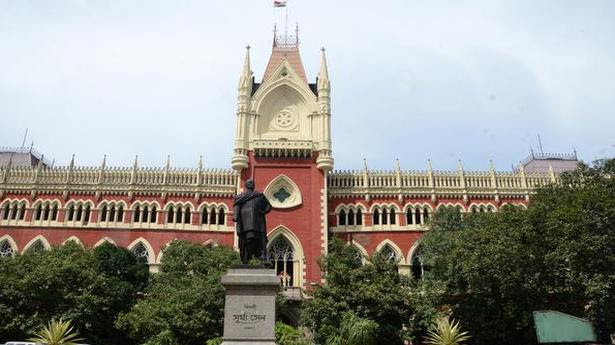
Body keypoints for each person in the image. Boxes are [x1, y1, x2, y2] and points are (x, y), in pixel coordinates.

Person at [233, 179, 272, 264]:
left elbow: (269, 206)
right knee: (248, 240)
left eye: (252, 183)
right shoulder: (240, 197)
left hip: (258, 223)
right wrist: (235, 217)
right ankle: (247, 256)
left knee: (259, 240)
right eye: (249, 183)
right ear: (246, 185)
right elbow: (236, 207)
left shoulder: (259, 195)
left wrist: (263, 211)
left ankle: (258, 256)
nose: (251, 184)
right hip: (245, 223)